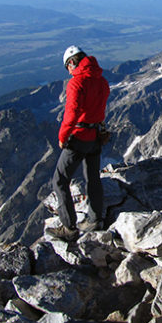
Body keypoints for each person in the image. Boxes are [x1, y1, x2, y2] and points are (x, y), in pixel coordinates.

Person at [46, 45, 110, 241]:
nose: (69, 71)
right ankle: (96, 219)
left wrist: (63, 136)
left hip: (80, 136)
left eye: (68, 67)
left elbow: (71, 113)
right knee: (92, 178)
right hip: (95, 135)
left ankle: (69, 227)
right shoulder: (101, 81)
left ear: (72, 62)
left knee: (60, 180)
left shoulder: (76, 83)